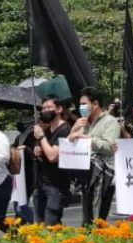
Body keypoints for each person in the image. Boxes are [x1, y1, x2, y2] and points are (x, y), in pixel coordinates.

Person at [71, 86, 121, 225]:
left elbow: (109, 147)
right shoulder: (82, 122)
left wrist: (86, 139)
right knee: (87, 218)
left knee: (99, 219)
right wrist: (74, 130)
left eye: (83, 104)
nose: (81, 107)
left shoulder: (110, 122)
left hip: (103, 177)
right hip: (86, 177)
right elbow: (70, 144)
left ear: (95, 104)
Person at [32, 96, 72, 226]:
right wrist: (39, 148)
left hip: (57, 185)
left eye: (49, 107)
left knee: (51, 224)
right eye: (43, 108)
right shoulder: (48, 130)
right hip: (42, 183)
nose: (45, 111)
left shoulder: (65, 130)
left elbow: (53, 156)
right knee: (39, 224)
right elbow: (46, 149)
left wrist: (42, 137)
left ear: (59, 109)